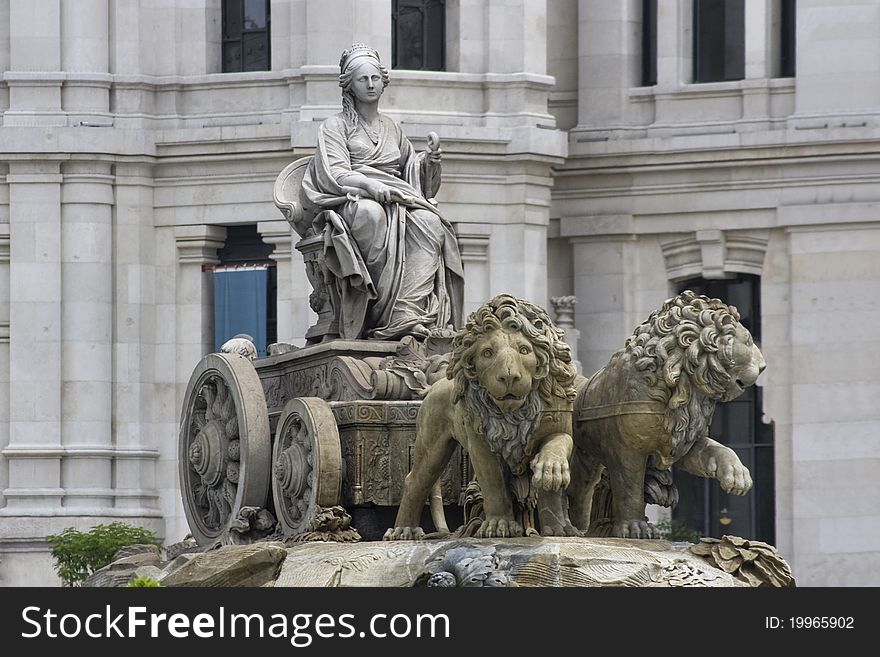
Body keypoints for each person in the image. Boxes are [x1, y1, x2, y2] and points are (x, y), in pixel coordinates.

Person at [301, 43, 464, 340]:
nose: (371, 84)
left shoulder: (392, 127)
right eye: (363, 79)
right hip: (351, 200)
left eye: (375, 78)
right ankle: (373, 310)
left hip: (396, 199)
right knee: (370, 215)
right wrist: (370, 186)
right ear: (349, 85)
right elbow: (335, 174)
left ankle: (405, 310)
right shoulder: (334, 127)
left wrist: (429, 162)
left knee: (431, 223)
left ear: (383, 81)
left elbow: (411, 174)